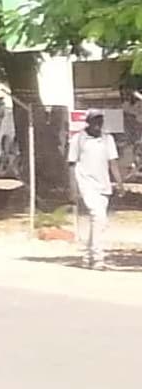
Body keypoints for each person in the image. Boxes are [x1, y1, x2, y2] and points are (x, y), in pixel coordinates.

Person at [70, 111, 122, 270]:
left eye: (100, 120)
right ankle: (99, 259)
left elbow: (112, 162)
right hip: (86, 184)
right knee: (97, 216)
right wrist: (73, 189)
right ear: (88, 122)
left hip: (103, 185)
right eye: (95, 120)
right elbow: (72, 164)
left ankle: (88, 256)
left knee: (100, 222)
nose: (98, 124)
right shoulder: (78, 139)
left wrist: (119, 182)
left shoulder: (107, 139)